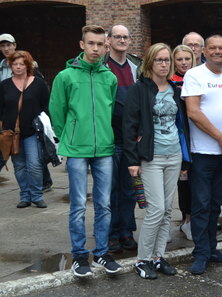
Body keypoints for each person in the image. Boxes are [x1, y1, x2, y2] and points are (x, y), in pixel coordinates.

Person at [49, 25, 122, 277]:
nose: (96, 49)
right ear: (82, 45)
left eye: (100, 44)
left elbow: (109, 110)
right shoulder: (65, 77)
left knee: (104, 203)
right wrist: (68, 137)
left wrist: (103, 134)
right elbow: (57, 112)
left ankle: (101, 252)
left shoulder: (109, 77)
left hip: (103, 148)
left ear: (106, 46)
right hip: (77, 149)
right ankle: (80, 256)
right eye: (91, 43)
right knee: (78, 204)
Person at [182, 34, 222, 275]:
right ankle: (200, 253)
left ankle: (210, 248)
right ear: (204, 51)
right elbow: (193, 112)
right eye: (213, 48)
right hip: (204, 152)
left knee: (215, 204)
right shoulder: (194, 75)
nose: (218, 51)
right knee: (200, 204)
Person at [123, 43, 189, 279]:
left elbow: (181, 125)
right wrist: (132, 160)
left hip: (174, 155)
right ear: (149, 63)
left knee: (167, 211)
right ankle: (142, 260)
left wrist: (185, 159)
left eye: (167, 60)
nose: (164, 64)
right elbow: (128, 126)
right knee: (156, 209)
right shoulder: (139, 90)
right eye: (159, 60)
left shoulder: (174, 88)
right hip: (151, 157)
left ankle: (158, 257)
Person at [104, 25, 141, 254]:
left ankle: (126, 231)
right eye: (117, 36)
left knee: (129, 189)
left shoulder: (136, 68)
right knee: (110, 189)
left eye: (125, 37)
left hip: (131, 141)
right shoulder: (102, 68)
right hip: (110, 139)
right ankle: (111, 233)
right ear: (108, 41)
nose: (121, 40)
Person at [0, 50, 49, 208]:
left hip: (32, 131)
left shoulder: (38, 83)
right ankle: (25, 195)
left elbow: (46, 107)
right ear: (11, 65)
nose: (18, 67)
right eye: (15, 64)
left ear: (28, 65)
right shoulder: (4, 85)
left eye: (22, 64)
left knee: (34, 164)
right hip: (11, 133)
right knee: (19, 165)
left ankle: (36, 195)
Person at [171, 44, 196, 241]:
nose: (184, 62)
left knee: (196, 182)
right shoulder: (170, 83)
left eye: (187, 58)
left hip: (198, 136)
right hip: (179, 139)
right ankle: (185, 220)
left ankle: (192, 219)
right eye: (179, 59)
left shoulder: (198, 79)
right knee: (183, 181)